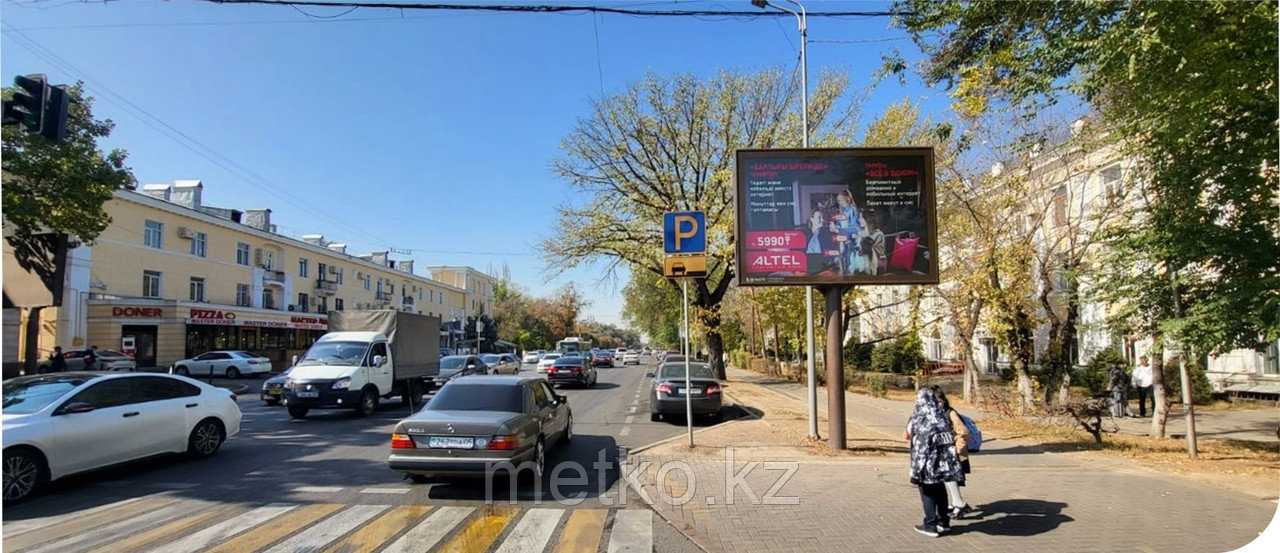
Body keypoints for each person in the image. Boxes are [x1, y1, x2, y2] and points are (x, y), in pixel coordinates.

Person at [904, 388, 965, 537]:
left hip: (927, 465)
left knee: (927, 492)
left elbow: (919, 446)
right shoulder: (942, 417)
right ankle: (944, 523)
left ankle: (930, 525)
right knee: (941, 491)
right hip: (945, 465)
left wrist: (917, 472)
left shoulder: (919, 419)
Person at [931, 387, 974, 519]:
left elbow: (963, 432)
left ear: (944, 400)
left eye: (940, 401)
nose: (938, 404)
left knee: (950, 478)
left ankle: (959, 504)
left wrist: (958, 449)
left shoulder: (950, 413)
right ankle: (956, 502)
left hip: (953, 453)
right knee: (947, 479)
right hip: (941, 453)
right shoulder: (933, 415)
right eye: (935, 402)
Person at [830, 190, 865, 274]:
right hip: (843, 240)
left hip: (851, 241)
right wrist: (835, 227)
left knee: (851, 262)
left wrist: (839, 230)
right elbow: (839, 224)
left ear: (848, 198)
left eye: (842, 199)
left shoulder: (852, 210)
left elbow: (855, 228)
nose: (841, 202)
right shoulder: (844, 211)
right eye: (839, 201)